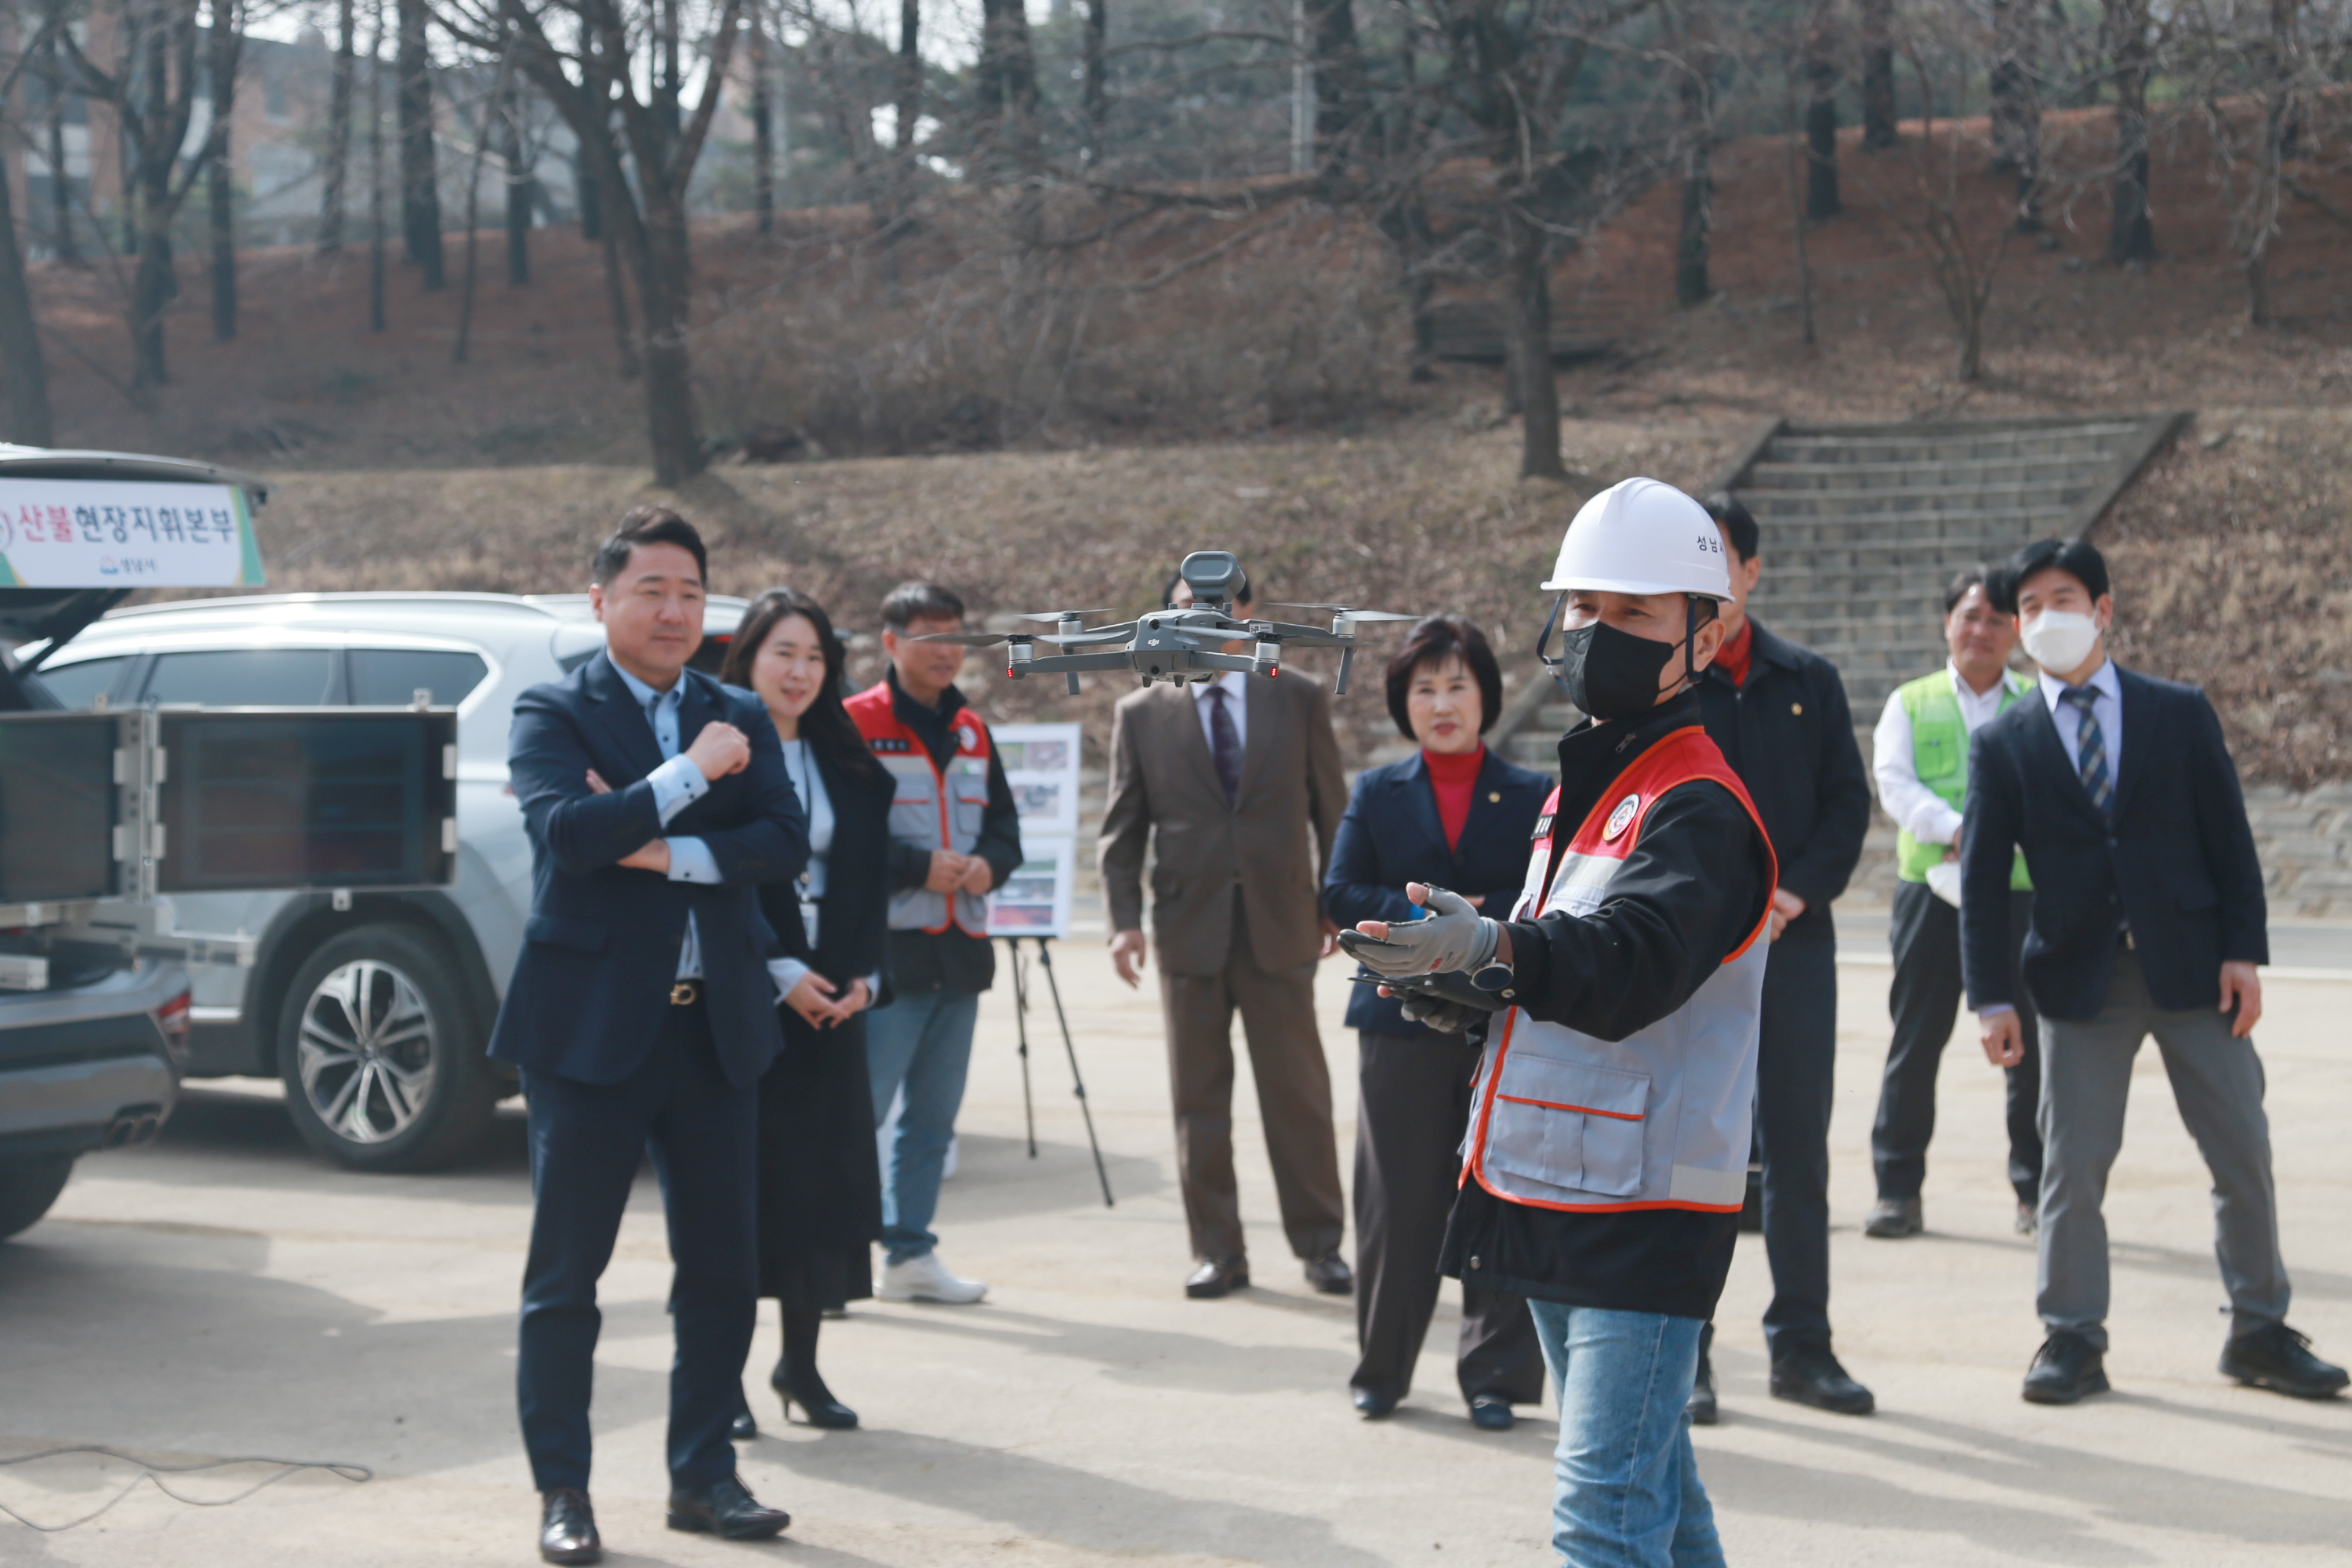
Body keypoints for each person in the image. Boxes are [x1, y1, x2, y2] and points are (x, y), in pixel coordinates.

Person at [1350, 477, 1773, 1568]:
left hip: (1644, 1206)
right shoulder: (1585, 786)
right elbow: (1559, 974)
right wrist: (1463, 986)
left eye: (1631, 615)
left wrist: (1492, 948)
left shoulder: (1699, 803)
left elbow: (1630, 965)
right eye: (1581, 608)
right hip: (1555, 1181)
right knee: (1660, 1504)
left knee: (1601, 1525)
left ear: (1706, 631)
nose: (1595, 634)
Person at [1962, 537, 2347, 1406]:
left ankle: (2259, 1326)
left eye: (2062, 598)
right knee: (2074, 1165)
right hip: (2075, 984)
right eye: (2028, 607)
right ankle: (2071, 1336)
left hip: (2195, 971)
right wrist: (1989, 996)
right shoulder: (2006, 741)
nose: (2043, 618)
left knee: (2241, 1147)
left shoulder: (2177, 711)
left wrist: (2245, 952)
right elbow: (1983, 884)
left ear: (2103, 609)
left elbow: (2230, 841)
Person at [495, 507, 806, 1564]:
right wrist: (686, 780)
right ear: (601, 601)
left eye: (690, 591)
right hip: (586, 1036)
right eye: (651, 591)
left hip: (715, 1030)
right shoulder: (553, 708)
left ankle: (705, 1476)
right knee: (566, 1276)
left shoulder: (737, 709)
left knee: (720, 1268)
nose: (675, 611)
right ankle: (565, 1492)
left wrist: (660, 846)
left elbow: (781, 843)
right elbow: (570, 837)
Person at [1098, 561, 1352, 1299]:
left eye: (1216, 608)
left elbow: (1332, 811)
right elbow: (1122, 832)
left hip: (1281, 923)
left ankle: (1320, 1244)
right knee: (1198, 1103)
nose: (1202, 622)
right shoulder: (1141, 712)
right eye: (1184, 610)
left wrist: (1334, 900)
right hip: (1188, 929)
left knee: (1297, 1096)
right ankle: (1218, 1251)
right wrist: (1122, 924)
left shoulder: (1297, 697)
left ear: (1247, 614)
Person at [1322, 615, 1549, 1428]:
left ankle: (1496, 1376)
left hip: (1501, 1018)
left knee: (1501, 1190)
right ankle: (1382, 1368)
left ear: (1487, 693)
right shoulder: (1377, 792)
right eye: (1424, 688)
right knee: (1396, 1200)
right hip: (1396, 1017)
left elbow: (1545, 899)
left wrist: (1479, 920)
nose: (1442, 702)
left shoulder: (1533, 793)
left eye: (1458, 684)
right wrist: (1434, 919)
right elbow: (1341, 891)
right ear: (1402, 702)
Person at [1687, 491, 1875, 1423]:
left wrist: (1791, 894)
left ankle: (1804, 1343)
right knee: (1696, 1151)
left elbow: (1848, 804)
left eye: (1717, 557)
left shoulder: (1809, 678)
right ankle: (1690, 1350)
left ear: (1751, 572)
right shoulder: (1662, 682)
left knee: (1797, 1149)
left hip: (1793, 948)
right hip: (1686, 956)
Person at [720, 589, 894, 1434]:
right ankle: (724, 1380)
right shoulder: (719, 753)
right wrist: (778, 969)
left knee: (821, 1192)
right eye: (782, 652)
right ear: (750, 657)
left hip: (831, 1002)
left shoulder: (844, 758)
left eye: (815, 657)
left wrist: (864, 975)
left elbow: (866, 879)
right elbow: (715, 879)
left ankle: (802, 1365)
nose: (798, 671)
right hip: (749, 1001)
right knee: (746, 1194)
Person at [846, 582, 1022, 1306]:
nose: (948, 650)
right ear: (891, 644)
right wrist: (916, 867)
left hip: (960, 956)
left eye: (957, 636)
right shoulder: (853, 724)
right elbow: (839, 837)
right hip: (887, 957)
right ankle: (828, 1256)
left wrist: (990, 865)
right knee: (861, 1116)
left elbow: (1005, 828)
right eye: (930, 635)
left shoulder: (974, 730)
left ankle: (909, 1254)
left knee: (931, 1122)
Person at [1866, 568, 2042, 1240]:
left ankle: (2035, 1190)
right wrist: (1960, 829)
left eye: (1998, 620)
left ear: (2016, 633)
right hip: (1931, 894)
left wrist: (1997, 840)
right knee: (1917, 1041)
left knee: (2031, 1048)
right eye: (1970, 617)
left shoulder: (2037, 701)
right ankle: (1897, 1191)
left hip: (2021, 896)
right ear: (1948, 624)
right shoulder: (1910, 702)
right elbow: (1895, 785)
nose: (1982, 631)